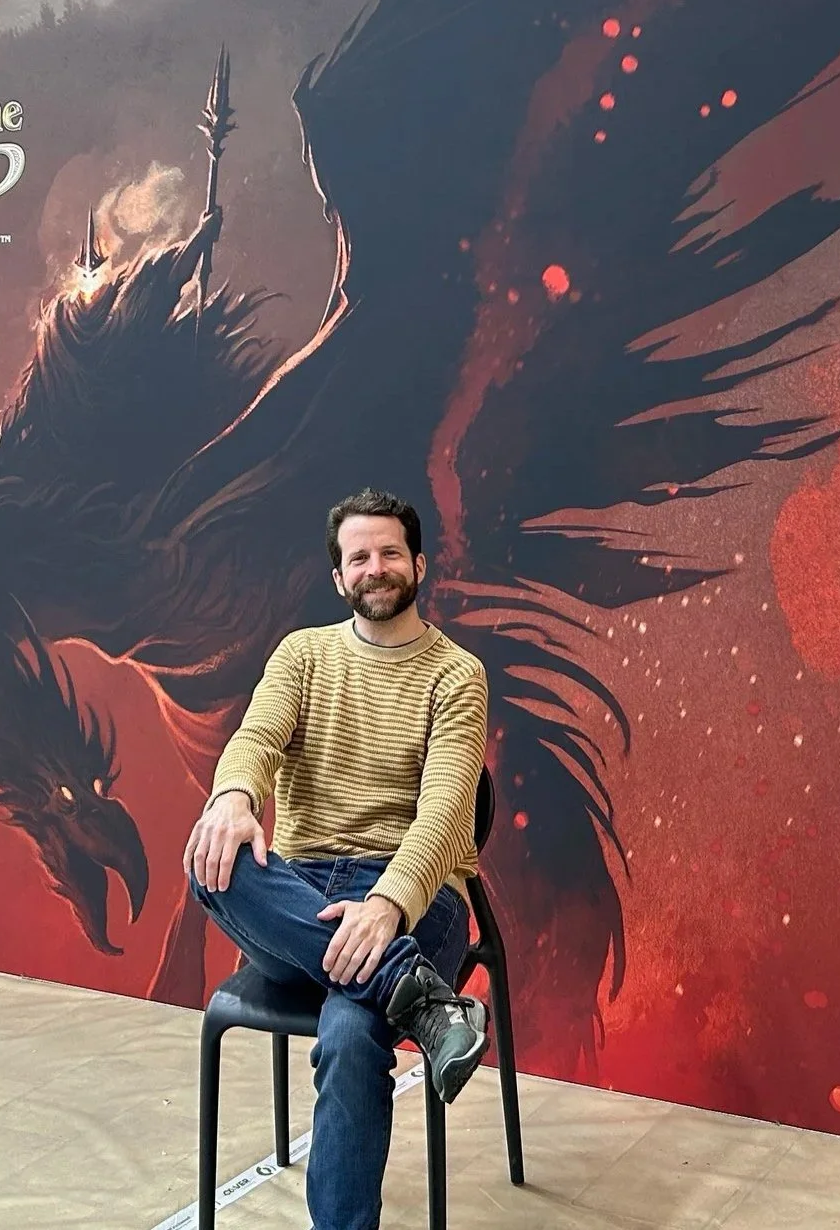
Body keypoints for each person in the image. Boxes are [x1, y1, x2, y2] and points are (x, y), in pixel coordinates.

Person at [185, 488, 492, 1230]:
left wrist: (387, 905)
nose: (375, 568)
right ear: (338, 577)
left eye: (390, 553)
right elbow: (257, 738)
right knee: (212, 853)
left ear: (419, 564)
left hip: (416, 893)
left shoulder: (457, 675)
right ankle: (418, 996)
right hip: (301, 891)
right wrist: (233, 797)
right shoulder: (303, 655)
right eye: (359, 557)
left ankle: (395, 977)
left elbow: (445, 811)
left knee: (353, 1036)